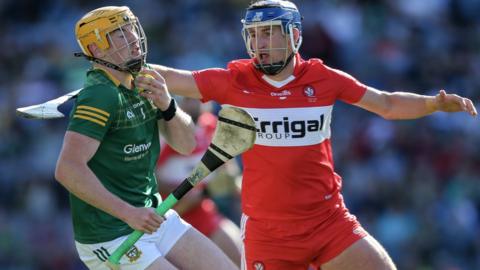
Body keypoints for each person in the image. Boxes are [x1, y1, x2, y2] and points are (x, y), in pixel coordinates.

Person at [134, 1, 478, 269]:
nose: (259, 43)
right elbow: (172, 78)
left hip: (328, 221)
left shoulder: (323, 78)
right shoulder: (234, 81)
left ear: (294, 35)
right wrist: (121, 69)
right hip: (268, 233)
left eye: (269, 32)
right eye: (253, 34)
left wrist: (433, 104)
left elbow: (386, 104)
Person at [55, 6, 237, 270]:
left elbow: (186, 145)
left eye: (130, 28)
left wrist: (168, 105)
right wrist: (128, 213)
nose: (132, 37)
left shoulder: (145, 78)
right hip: (110, 234)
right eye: (118, 33)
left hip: (155, 216)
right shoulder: (100, 95)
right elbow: (67, 169)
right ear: (96, 49)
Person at [156, 97, 242, 266]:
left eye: (200, 98)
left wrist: (231, 181)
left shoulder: (210, 124)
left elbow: (227, 167)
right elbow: (147, 177)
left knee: (241, 256)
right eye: (189, 98)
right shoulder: (164, 133)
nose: (197, 103)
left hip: (202, 210)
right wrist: (186, 193)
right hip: (165, 217)